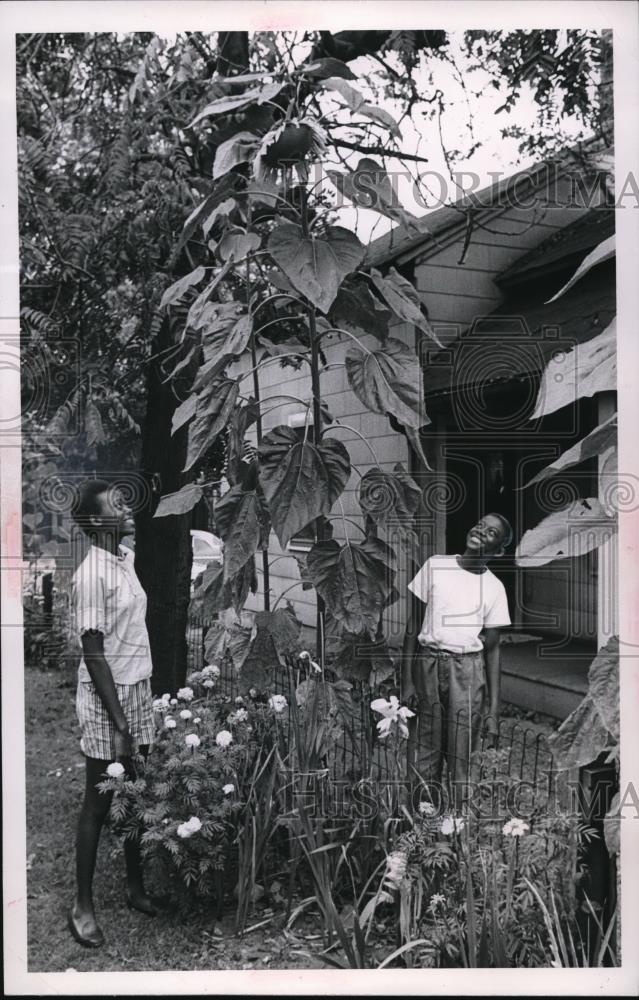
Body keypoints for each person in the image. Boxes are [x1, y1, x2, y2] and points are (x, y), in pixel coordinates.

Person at [68, 479, 160, 948]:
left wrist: (136, 704)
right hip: (108, 699)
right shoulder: (91, 575)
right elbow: (94, 653)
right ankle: (82, 906)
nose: (126, 507)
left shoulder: (124, 560)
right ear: (93, 522)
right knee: (100, 801)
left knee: (136, 793)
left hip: (136, 687)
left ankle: (135, 886)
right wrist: (120, 722)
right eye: (115, 504)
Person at [402, 513, 513, 805]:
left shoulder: (494, 588)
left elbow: (493, 650)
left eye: (491, 532)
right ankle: (420, 830)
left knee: (462, 754)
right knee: (425, 751)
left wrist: (493, 712)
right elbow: (412, 627)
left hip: (467, 672)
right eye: (479, 524)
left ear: (498, 549)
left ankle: (458, 832)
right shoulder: (436, 566)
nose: (480, 530)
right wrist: (407, 684)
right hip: (428, 665)